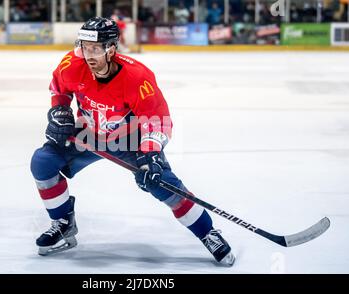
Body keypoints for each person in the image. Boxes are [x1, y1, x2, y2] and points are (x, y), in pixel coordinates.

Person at [30, 17, 235, 266]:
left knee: (162, 184)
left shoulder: (137, 77)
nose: (89, 55)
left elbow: (158, 120)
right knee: (43, 161)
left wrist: (150, 155)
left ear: (111, 49)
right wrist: (60, 111)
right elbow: (58, 88)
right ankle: (63, 224)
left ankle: (207, 232)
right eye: (85, 47)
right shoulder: (72, 63)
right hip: (88, 134)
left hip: (128, 139)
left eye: (95, 49)